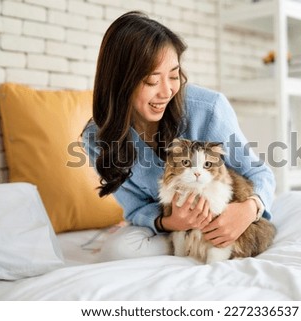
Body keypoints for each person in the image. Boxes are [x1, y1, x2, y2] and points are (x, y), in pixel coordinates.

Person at [82, 11, 276, 261]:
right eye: (152, 81)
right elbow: (136, 209)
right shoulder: (96, 138)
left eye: (173, 76)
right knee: (116, 251)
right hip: (169, 229)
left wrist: (248, 210)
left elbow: (259, 174)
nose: (167, 91)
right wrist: (168, 222)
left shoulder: (208, 108)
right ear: (121, 84)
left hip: (225, 216)